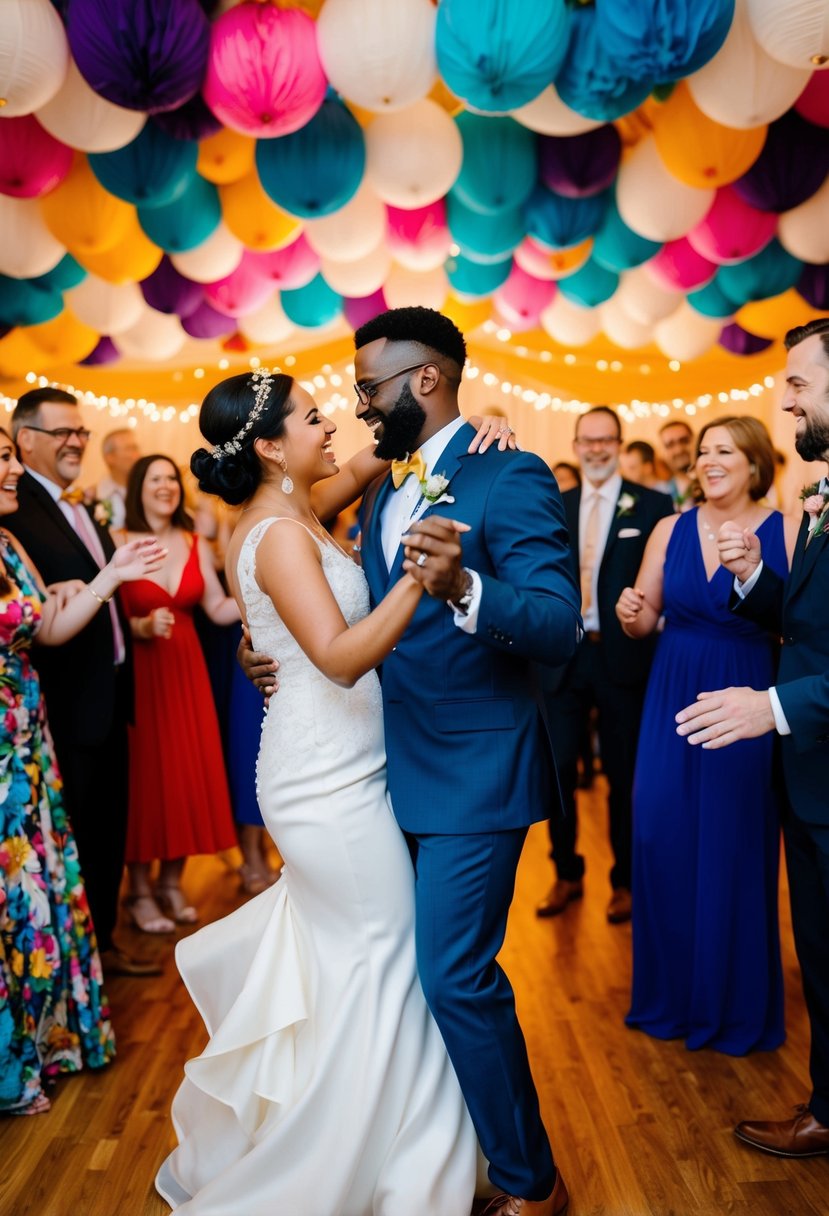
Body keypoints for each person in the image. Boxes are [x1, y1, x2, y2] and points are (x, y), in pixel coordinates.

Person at [156, 368, 482, 1215]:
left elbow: (387, 444)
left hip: (350, 761)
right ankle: (366, 1170)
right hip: (321, 778)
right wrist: (420, 575)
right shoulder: (278, 532)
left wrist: (489, 425)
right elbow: (336, 659)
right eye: (310, 418)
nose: (330, 424)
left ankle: (391, 1153)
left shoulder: (303, 505)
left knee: (369, 964)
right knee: (385, 958)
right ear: (268, 445)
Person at [676, 319, 829, 1157]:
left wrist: (772, 708)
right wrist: (752, 581)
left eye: (798, 385)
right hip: (808, 771)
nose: (784, 400)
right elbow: (807, 623)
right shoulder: (821, 495)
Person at [617, 416, 795, 1054]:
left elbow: (797, 625)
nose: (709, 461)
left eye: (724, 450)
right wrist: (631, 615)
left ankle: (733, 1005)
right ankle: (671, 997)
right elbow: (644, 617)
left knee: (733, 843)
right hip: (672, 694)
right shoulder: (669, 527)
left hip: (746, 694)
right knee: (660, 833)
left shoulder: (790, 529)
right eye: (703, 452)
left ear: (753, 461)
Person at [0, 426, 165, 1115]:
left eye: (9, 455)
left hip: (25, 743)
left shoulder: (8, 547)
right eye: (4, 459)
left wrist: (108, 579)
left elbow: (47, 631)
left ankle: (42, 1045)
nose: (12, 469)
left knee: (35, 898)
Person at [6, 389, 156, 978]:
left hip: (109, 692)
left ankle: (103, 945)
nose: (76, 442)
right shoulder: (15, 510)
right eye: (63, 432)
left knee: (106, 830)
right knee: (76, 836)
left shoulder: (81, 508)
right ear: (25, 440)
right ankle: (80, 962)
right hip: (62, 704)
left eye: (81, 433)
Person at [537, 406, 673, 925]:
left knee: (623, 775)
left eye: (605, 441)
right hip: (563, 658)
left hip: (624, 656)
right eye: (587, 441)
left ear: (619, 444)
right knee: (559, 775)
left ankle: (626, 881)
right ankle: (565, 873)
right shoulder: (555, 503)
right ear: (575, 445)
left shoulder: (654, 505)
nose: (596, 449)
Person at [118, 456, 240, 933]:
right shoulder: (119, 542)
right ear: (138, 488)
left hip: (187, 672)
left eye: (172, 479)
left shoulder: (193, 542)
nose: (167, 486)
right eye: (156, 479)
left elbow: (217, 605)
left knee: (186, 774)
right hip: (142, 674)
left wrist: (266, 596)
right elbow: (101, 615)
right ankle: (140, 891)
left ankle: (172, 882)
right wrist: (139, 625)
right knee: (145, 779)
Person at [87, 428, 141, 530]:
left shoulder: (147, 491)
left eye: (136, 448)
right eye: (130, 448)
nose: (137, 454)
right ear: (110, 457)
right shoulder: (95, 496)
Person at [658, 418, 696, 511]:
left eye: (684, 441)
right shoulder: (662, 493)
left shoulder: (713, 482)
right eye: (670, 445)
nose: (679, 450)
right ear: (662, 451)